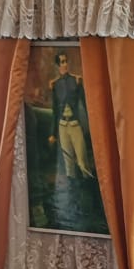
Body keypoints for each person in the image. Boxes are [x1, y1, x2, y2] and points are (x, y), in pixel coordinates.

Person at [48, 51, 93, 181]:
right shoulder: (55, 85)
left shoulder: (76, 80)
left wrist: (91, 126)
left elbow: (85, 105)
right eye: (62, 62)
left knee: (82, 162)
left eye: (66, 61)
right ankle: (73, 194)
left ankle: (88, 191)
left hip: (75, 125)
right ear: (58, 65)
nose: (65, 64)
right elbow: (55, 111)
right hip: (62, 127)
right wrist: (53, 133)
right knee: (68, 163)